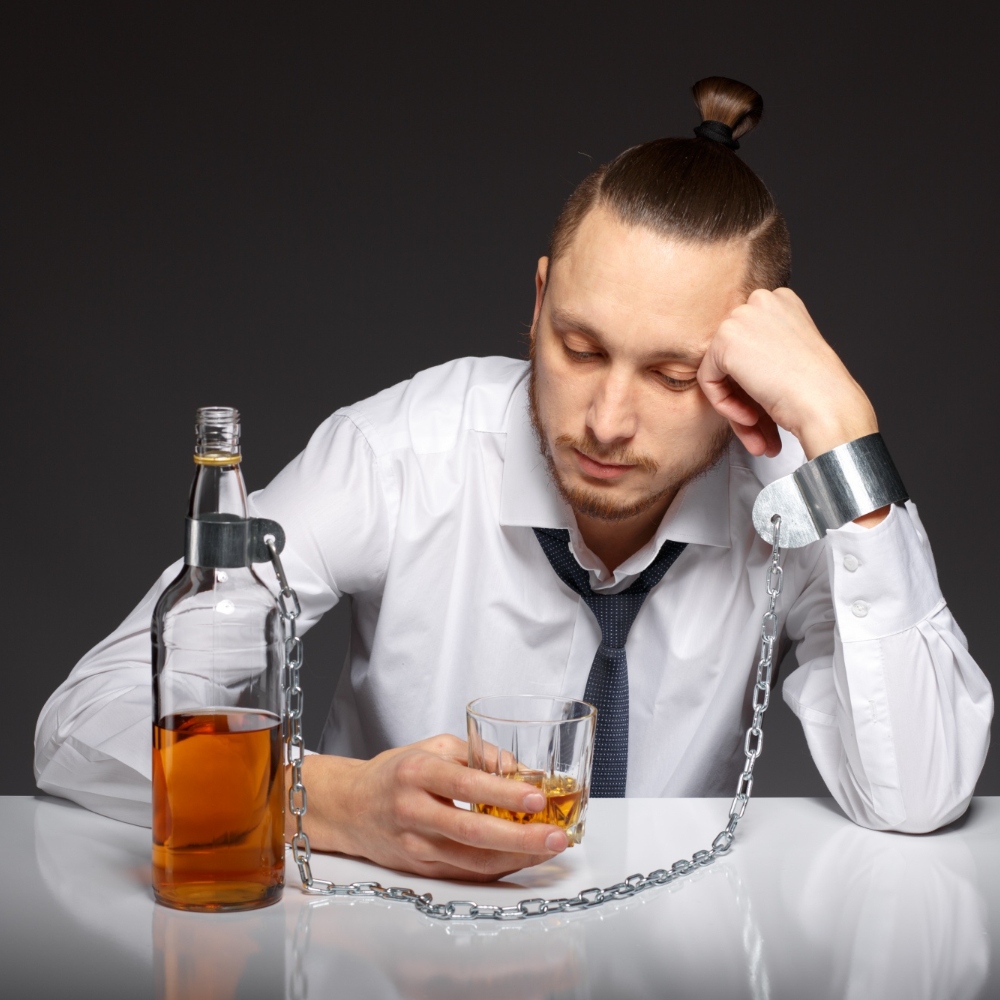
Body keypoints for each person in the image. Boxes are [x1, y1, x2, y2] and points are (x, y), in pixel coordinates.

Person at [35, 77, 992, 882]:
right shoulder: (403, 451)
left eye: (672, 375)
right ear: (538, 304)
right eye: (579, 347)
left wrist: (844, 434)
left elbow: (919, 796)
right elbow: (81, 724)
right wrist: (335, 801)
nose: (606, 421)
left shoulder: (796, 497)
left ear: (745, 374)